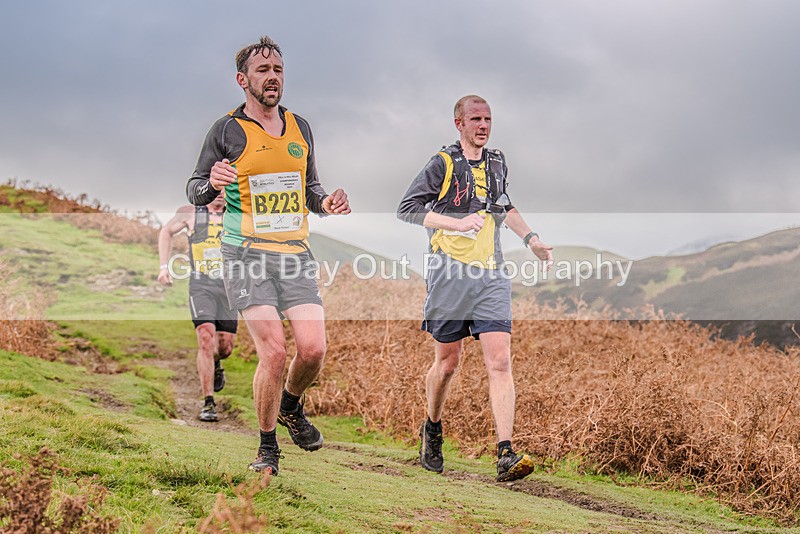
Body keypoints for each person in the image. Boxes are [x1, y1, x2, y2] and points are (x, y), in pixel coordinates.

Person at [186, 36, 350, 476]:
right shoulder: (226, 130)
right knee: (274, 352)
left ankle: (290, 406)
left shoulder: (300, 127)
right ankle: (267, 447)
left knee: (313, 351)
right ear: (243, 80)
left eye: (277, 69)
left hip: (294, 252)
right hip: (244, 253)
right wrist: (212, 183)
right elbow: (194, 188)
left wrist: (326, 202)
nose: (272, 77)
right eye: (262, 70)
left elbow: (309, 189)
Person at [397, 95, 553, 482]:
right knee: (447, 364)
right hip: (449, 272)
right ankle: (432, 428)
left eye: (488, 119)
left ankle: (505, 453)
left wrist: (531, 239)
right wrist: (457, 223)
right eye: (475, 119)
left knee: (500, 361)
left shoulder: (497, 162)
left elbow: (505, 206)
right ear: (459, 124)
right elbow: (407, 209)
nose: (483, 125)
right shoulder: (443, 163)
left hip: (491, 275)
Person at [158, 191, 236, 423]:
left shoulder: (237, 213)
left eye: (225, 189)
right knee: (205, 339)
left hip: (229, 287)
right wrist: (163, 267)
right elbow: (166, 231)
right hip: (201, 284)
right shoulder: (191, 212)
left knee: (225, 348)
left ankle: (217, 362)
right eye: (216, 188)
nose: (220, 194)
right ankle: (208, 402)